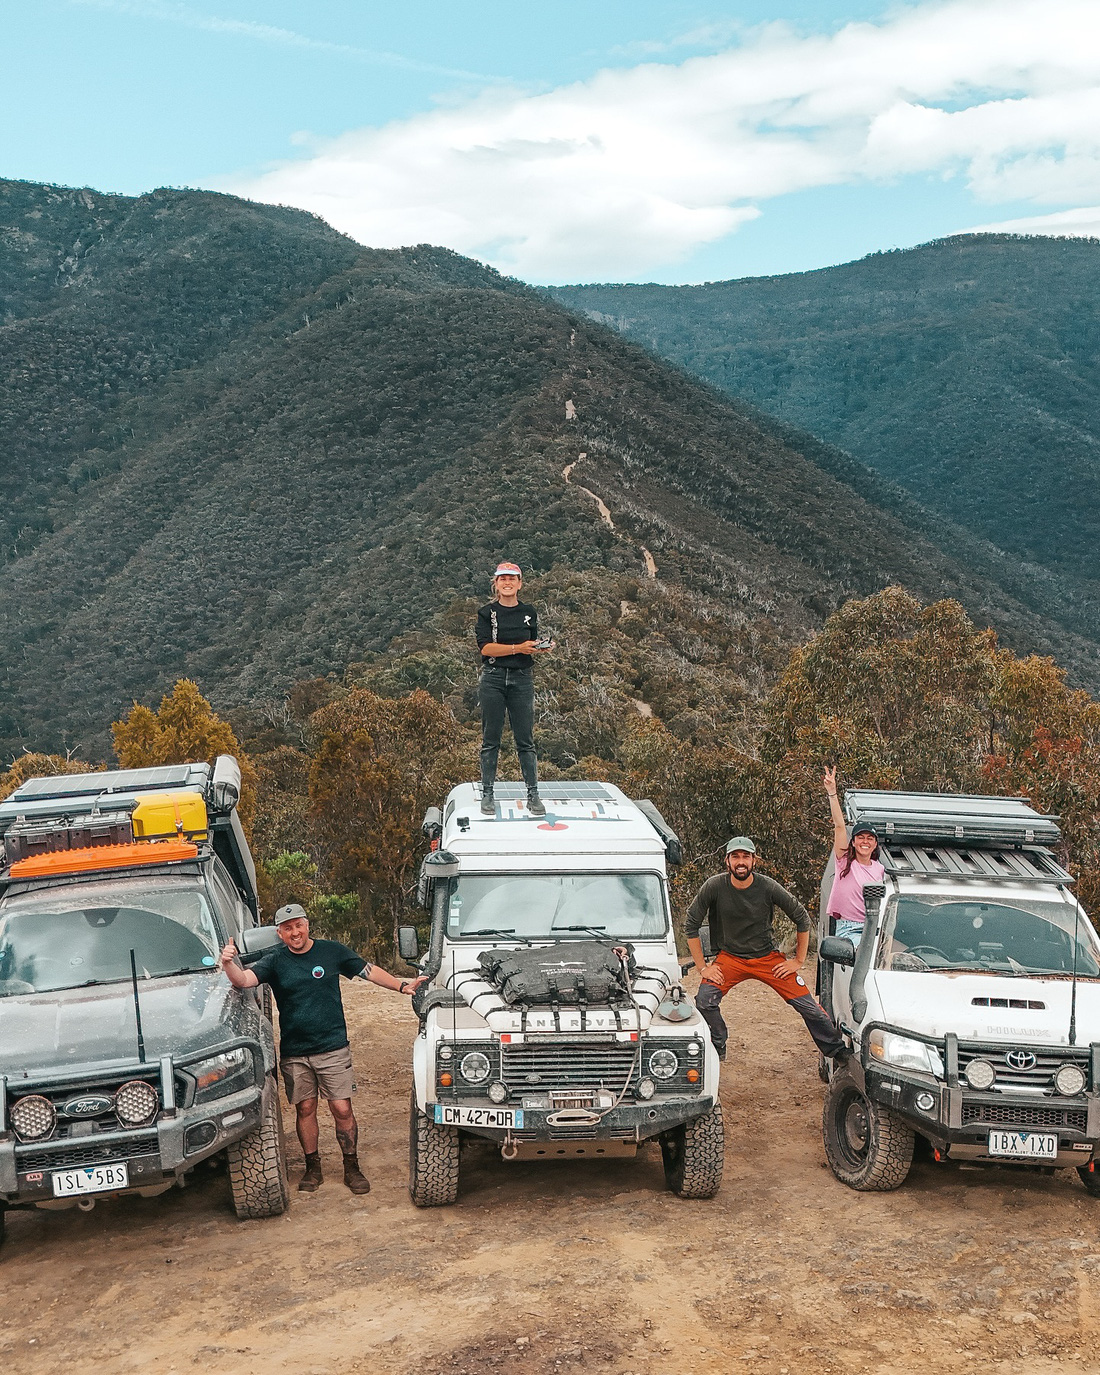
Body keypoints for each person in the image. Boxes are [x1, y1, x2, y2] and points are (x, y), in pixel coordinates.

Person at [220, 903, 425, 1195]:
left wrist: (401, 985)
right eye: (288, 928)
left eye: (298, 925)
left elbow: (368, 970)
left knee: (341, 1108)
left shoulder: (331, 951)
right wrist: (229, 963)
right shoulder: (274, 960)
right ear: (279, 933)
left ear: (307, 925)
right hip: (295, 1051)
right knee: (305, 1108)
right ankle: (312, 1167)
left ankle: (351, 1167)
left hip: (332, 1046)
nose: (295, 932)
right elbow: (244, 981)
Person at [686, 837, 848, 1064]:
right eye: (735, 856)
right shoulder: (714, 886)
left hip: (767, 958)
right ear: (727, 861)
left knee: (810, 1008)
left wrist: (798, 960)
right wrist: (703, 967)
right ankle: (717, 1043)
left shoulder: (767, 886)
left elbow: (802, 918)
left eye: (745, 856)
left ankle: (838, 1052)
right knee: (705, 1000)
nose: (740, 862)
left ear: (754, 860)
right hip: (730, 958)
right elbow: (691, 924)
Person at [475, 561, 553, 818]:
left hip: (521, 678)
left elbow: (529, 641)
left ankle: (533, 795)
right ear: (496, 584)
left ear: (520, 583)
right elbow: (486, 649)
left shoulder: (529, 611)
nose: (507, 583)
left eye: (512, 579)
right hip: (493, 678)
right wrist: (518, 648)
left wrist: (537, 647)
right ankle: (487, 794)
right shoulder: (487, 613)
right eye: (502, 579)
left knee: (525, 740)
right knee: (491, 739)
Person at [823, 765, 884, 942]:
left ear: (875, 844)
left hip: (873, 928)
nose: (865, 841)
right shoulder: (844, 861)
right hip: (849, 929)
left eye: (870, 838)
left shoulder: (880, 870)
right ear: (853, 842)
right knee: (864, 957)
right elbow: (840, 826)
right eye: (861, 837)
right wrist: (832, 793)